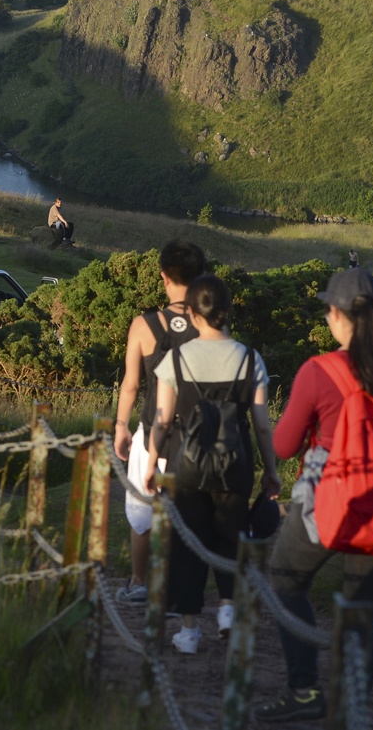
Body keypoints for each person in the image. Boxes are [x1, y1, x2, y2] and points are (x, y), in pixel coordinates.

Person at [254, 268, 373, 724]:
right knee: (362, 614)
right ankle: (350, 710)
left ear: (336, 316)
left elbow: (282, 446)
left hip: (325, 503)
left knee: (285, 581)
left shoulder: (319, 371)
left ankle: (303, 691)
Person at [140, 274, 279, 655]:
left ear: (194, 315)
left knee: (189, 543)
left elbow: (162, 420)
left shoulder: (176, 359)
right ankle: (228, 612)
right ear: (227, 311)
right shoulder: (251, 358)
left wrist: (152, 463)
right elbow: (263, 425)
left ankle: (188, 630)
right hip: (236, 463)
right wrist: (271, 470)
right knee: (232, 535)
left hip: (186, 463)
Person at [113, 239, 207, 604]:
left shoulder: (144, 324)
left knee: (141, 511)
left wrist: (121, 426)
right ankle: (184, 589)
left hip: (153, 430)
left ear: (164, 277)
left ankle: (140, 582)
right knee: (191, 515)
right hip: (200, 435)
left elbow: (131, 385)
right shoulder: (211, 325)